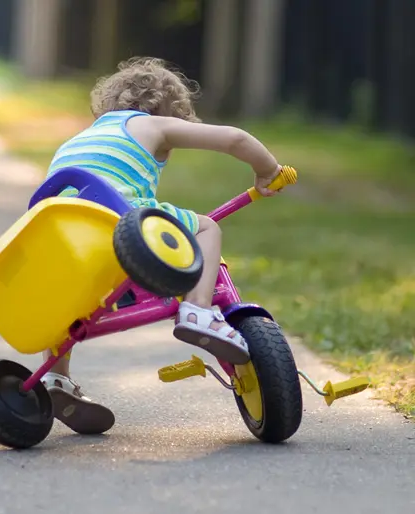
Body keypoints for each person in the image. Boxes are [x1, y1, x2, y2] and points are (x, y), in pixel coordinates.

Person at [39, 56, 282, 435]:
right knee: (206, 228)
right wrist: (267, 172)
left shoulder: (78, 139)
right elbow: (235, 138)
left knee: (64, 309)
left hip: (63, 237)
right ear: (169, 110)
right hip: (119, 223)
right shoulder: (150, 124)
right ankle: (199, 311)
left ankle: (54, 378)